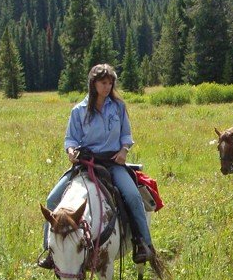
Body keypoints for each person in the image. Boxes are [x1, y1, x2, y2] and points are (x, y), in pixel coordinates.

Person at [38, 63, 154, 268]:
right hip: (86, 163)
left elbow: (126, 134)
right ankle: (49, 252)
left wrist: (124, 151)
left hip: (112, 163)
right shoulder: (79, 111)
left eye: (110, 83)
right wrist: (71, 151)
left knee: (133, 196)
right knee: (52, 198)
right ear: (93, 84)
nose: (107, 87)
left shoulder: (118, 107)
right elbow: (71, 139)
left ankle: (143, 243)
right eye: (103, 83)